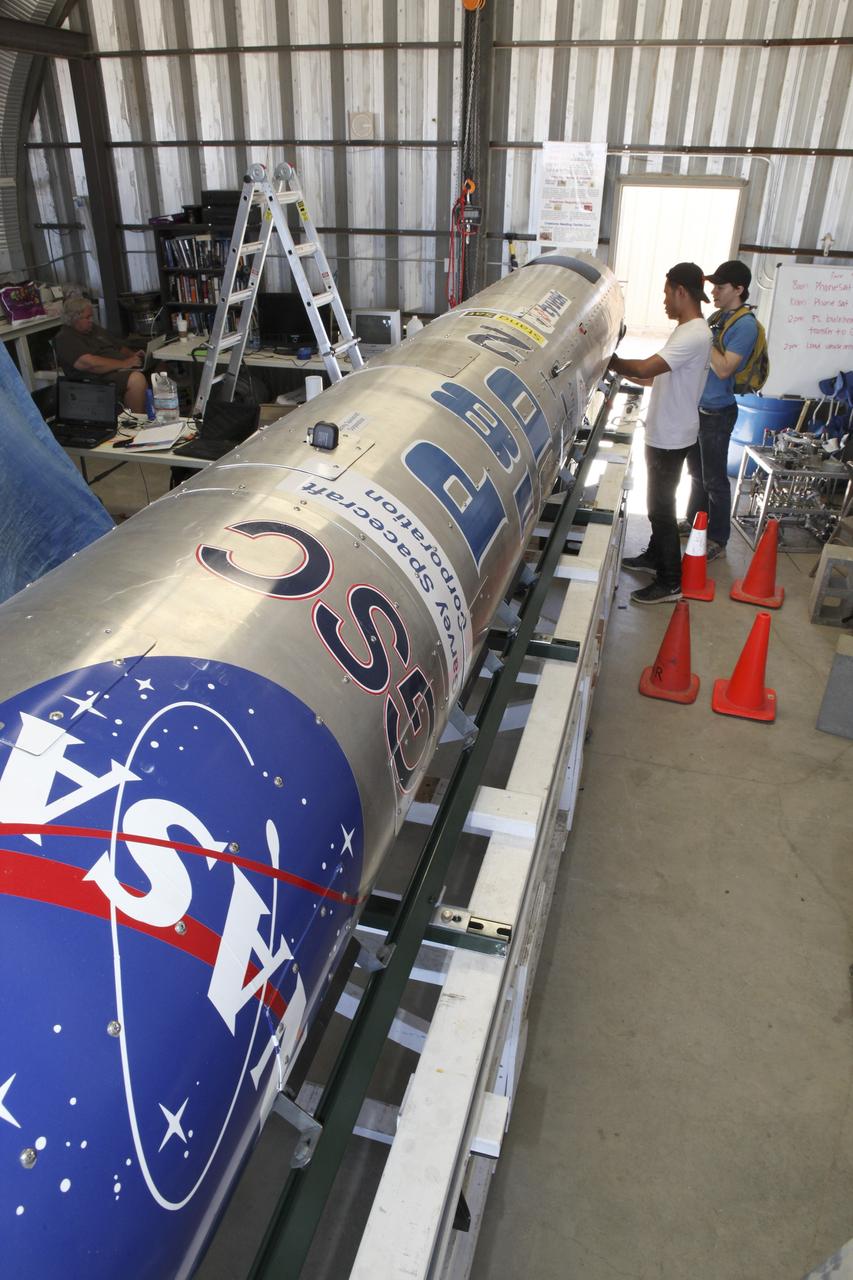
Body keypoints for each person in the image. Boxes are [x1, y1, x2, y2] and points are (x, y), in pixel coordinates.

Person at [610, 263, 712, 605]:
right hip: (667, 430)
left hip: (671, 435)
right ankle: (656, 557)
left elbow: (645, 367)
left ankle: (670, 581)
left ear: (681, 292)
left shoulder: (695, 334)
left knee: (660, 508)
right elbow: (658, 377)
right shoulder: (686, 331)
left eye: (667, 293)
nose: (664, 300)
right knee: (659, 503)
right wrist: (627, 376)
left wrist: (608, 359)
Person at [681, 260, 758, 560]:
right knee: (697, 474)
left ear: (738, 289)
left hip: (718, 412)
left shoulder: (745, 325)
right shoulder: (718, 317)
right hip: (699, 407)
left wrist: (705, 334)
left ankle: (717, 538)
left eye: (720, 286)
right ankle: (693, 522)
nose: (713, 291)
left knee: (714, 479)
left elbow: (725, 369)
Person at [54, 296, 149, 413]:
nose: (91, 320)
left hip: (117, 369)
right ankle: (136, 425)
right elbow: (90, 364)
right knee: (136, 380)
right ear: (74, 319)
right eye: (87, 317)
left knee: (158, 367)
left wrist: (133, 356)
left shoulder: (93, 329)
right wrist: (124, 363)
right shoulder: (65, 338)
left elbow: (118, 347)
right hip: (94, 379)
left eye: (91, 316)